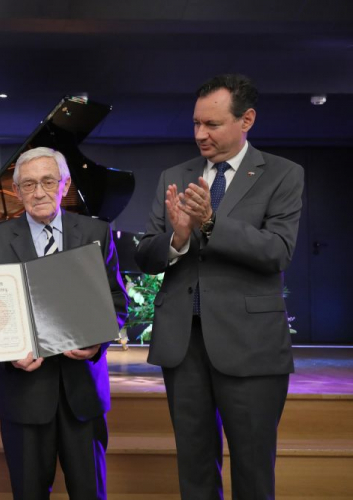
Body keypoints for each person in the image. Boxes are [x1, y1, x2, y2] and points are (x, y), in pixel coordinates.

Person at [135, 74, 304, 499]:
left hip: (251, 346)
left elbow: (277, 251)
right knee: (193, 466)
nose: (199, 134)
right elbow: (147, 254)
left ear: (246, 119)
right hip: (183, 344)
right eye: (195, 123)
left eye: (211, 124)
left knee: (252, 467)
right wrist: (177, 238)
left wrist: (211, 223)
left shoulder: (282, 175)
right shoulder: (175, 174)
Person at [0, 147, 128, 499]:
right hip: (23, 395)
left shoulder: (97, 233)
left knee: (90, 493)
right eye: (28, 184)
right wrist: (8, 352)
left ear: (65, 184)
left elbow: (117, 304)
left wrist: (96, 343)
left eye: (48, 181)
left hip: (83, 394)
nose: (39, 192)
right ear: (16, 191)